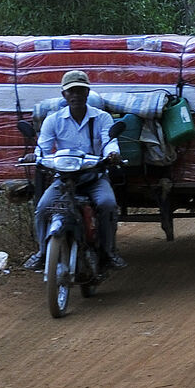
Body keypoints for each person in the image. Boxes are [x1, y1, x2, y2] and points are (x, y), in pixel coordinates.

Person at [35, 69, 125, 269]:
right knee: (43, 208)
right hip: (64, 178)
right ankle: (42, 252)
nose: (76, 95)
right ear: (64, 94)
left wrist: (112, 154)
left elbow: (109, 141)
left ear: (87, 93)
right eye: (71, 91)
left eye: (80, 90)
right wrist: (37, 156)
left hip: (94, 177)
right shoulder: (53, 120)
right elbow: (43, 146)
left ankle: (108, 253)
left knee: (108, 204)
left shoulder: (102, 118)